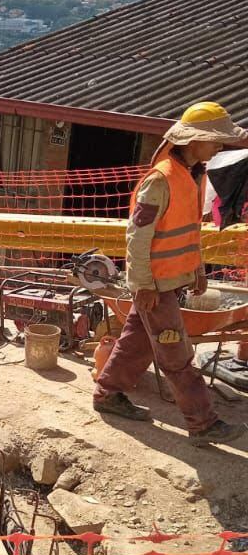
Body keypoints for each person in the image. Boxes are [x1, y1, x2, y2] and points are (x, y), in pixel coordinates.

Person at [93, 101, 248, 447]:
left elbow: (186, 231)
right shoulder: (161, 180)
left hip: (167, 283)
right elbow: (137, 238)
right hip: (155, 287)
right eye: (215, 140)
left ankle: (107, 394)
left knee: (136, 342)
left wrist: (197, 268)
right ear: (194, 140)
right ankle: (203, 422)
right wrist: (145, 285)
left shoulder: (189, 175)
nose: (219, 147)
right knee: (177, 358)